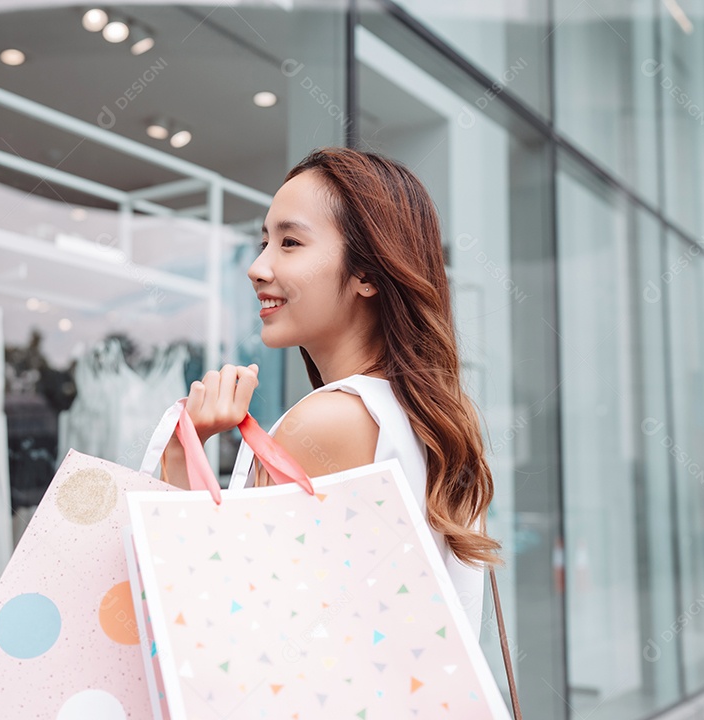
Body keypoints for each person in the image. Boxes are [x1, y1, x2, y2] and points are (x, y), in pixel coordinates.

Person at [158, 146, 499, 639]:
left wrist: (178, 452)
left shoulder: (327, 422)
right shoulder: (431, 419)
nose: (258, 267)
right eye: (264, 242)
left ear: (367, 274)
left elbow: (224, 630)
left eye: (290, 242)